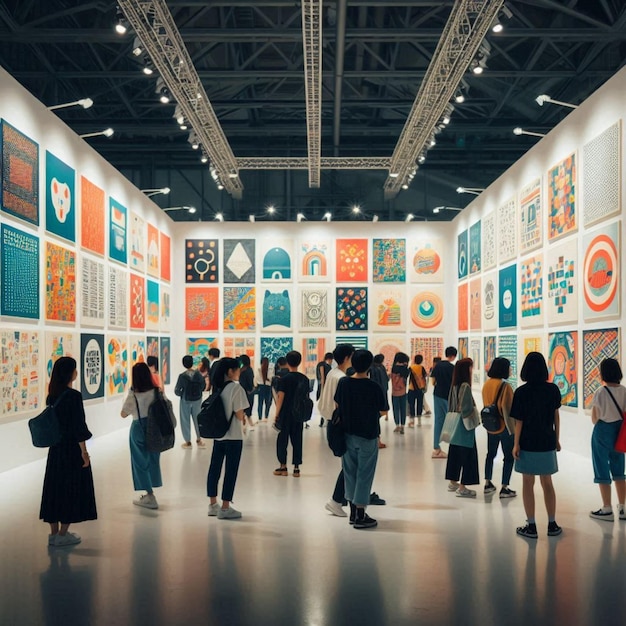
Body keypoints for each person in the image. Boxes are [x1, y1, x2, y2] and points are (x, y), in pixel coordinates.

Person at [39, 357, 97, 547]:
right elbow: (79, 427)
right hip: (72, 450)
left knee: (54, 489)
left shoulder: (52, 395)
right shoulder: (73, 396)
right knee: (70, 490)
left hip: (56, 450)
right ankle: (63, 535)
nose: (76, 372)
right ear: (70, 373)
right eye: (75, 369)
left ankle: (53, 533)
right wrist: (85, 452)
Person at [334, 350, 389, 529]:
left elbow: (337, 405)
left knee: (349, 472)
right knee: (365, 474)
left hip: (347, 434)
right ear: (370, 366)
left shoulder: (344, 383)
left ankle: (352, 511)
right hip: (368, 435)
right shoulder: (374, 387)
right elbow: (383, 410)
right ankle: (360, 513)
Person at [511, 352, 562, 538]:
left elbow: (519, 422)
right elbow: (556, 417)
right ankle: (552, 523)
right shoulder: (553, 390)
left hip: (527, 443)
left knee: (527, 483)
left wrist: (515, 444)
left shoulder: (521, 392)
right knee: (547, 483)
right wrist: (556, 439)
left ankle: (531, 525)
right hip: (547, 441)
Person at [207, 358, 249, 519]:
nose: (239, 372)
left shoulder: (217, 389)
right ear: (230, 372)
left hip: (219, 436)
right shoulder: (236, 389)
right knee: (230, 471)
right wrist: (243, 417)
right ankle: (225, 507)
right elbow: (239, 414)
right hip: (234, 437)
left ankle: (212, 504)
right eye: (237, 369)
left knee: (214, 469)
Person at [121, 362, 164, 510]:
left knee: (140, 462)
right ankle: (151, 489)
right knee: (153, 459)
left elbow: (123, 414)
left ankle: (150, 495)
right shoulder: (156, 391)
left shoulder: (134, 394)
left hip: (138, 428)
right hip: (156, 428)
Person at [588, 358, 626, 522]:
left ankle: (607, 508)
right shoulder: (624, 390)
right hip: (620, 431)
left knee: (601, 467)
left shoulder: (601, 392)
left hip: (603, 431)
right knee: (619, 469)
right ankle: (623, 508)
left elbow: (595, 418)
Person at [482, 357, 517, 498]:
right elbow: (508, 409)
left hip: (490, 425)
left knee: (490, 454)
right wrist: (512, 430)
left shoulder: (487, 384)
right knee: (508, 457)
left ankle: (487, 483)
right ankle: (504, 487)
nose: (510, 370)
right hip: (504, 426)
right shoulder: (506, 386)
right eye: (509, 367)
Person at [445, 358, 480, 497]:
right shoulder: (465, 386)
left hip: (454, 423)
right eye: (471, 367)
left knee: (455, 453)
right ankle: (463, 487)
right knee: (468, 456)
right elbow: (466, 408)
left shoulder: (454, 385)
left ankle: (453, 481)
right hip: (464, 426)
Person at [273, 351, 309, 477]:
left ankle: (283, 467)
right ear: (299, 362)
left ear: (287, 362)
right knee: (297, 439)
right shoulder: (304, 379)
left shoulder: (285, 379)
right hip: (298, 414)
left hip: (285, 414)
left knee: (282, 440)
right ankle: (296, 468)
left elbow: (280, 397)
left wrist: (276, 414)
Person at [175, 355, 206, 449]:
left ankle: (188, 442)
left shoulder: (182, 376)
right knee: (198, 418)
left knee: (185, 420)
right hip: (197, 399)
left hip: (186, 399)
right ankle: (199, 439)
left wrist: (181, 394)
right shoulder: (198, 374)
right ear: (192, 362)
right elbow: (203, 386)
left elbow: (177, 390)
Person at [431, 347, 457, 458]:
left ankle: (436, 448)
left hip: (437, 394)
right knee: (452, 421)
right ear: (454, 356)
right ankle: (455, 446)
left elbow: (434, 379)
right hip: (448, 396)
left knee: (438, 420)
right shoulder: (452, 368)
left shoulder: (438, 366)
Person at [390, 352, 410, 434]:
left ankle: (397, 425)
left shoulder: (393, 368)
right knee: (403, 409)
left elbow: (392, 379)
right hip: (403, 392)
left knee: (396, 409)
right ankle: (402, 426)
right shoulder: (406, 369)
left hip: (394, 392)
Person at [408, 354, 427, 428]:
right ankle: (419, 421)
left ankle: (412, 421)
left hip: (411, 388)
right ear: (421, 360)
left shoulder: (411, 367)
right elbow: (424, 376)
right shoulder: (422, 368)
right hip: (420, 388)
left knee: (411, 404)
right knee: (420, 404)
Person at [369, 354, 390, 421]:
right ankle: (385, 415)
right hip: (382, 387)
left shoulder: (373, 367)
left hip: (379, 388)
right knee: (384, 401)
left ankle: (384, 415)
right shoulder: (380, 367)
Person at [316, 353, 334, 425]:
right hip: (323, 386)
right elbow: (322, 377)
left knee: (324, 403)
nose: (332, 361)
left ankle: (323, 420)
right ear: (329, 359)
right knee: (324, 403)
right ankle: (322, 420)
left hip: (323, 385)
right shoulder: (322, 364)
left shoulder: (324, 365)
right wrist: (323, 388)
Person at [254, 356, 274, 423]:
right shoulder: (271, 369)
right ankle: (266, 417)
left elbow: (255, 379)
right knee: (267, 402)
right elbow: (271, 379)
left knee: (260, 403)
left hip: (261, 387)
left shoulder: (259, 369)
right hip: (268, 387)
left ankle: (259, 418)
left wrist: (255, 385)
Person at [238, 354, 256, 428]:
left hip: (242, 390)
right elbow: (250, 380)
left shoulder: (242, 370)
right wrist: (250, 389)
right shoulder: (249, 370)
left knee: (243, 406)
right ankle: (248, 421)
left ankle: (244, 420)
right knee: (249, 405)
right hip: (248, 390)